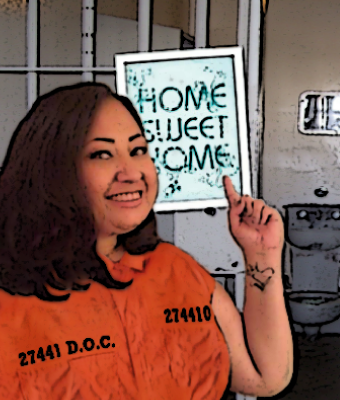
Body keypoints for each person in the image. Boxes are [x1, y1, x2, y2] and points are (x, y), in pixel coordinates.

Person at [0, 83, 293, 399]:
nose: (131, 173)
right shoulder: (11, 295)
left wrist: (261, 255)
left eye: (138, 150)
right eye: (101, 154)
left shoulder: (175, 269)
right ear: (50, 170)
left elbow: (264, 378)